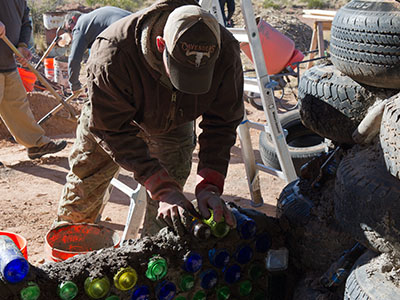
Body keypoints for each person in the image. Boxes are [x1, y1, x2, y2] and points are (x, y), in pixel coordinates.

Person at [54, 0, 244, 236]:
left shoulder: (226, 51)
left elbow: (223, 122)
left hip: (175, 123)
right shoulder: (113, 53)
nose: (186, 83)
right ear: (161, 44)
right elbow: (111, 129)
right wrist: (160, 186)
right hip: (110, 121)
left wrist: (210, 186)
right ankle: (69, 250)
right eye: (181, 73)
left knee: (171, 217)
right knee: (82, 195)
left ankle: (156, 258)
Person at [0, 1, 67, 161]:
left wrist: (22, 46)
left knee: (18, 106)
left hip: (7, 61)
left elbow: (25, 21)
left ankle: (36, 144)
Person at [63, 6, 132, 94]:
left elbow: (74, 59)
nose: (71, 33)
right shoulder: (94, 21)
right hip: (134, 25)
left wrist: (74, 86)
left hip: (121, 33)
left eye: (69, 30)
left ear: (73, 19)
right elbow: (93, 55)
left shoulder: (80, 25)